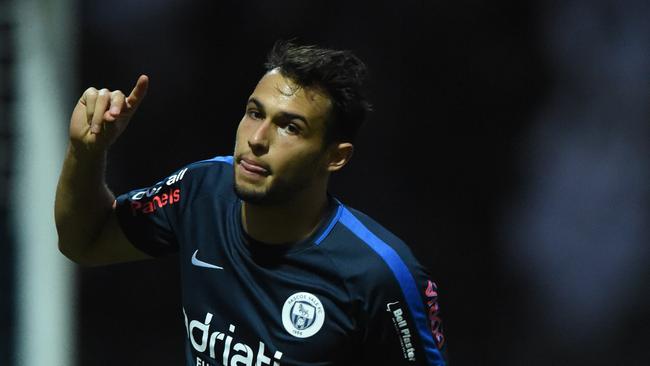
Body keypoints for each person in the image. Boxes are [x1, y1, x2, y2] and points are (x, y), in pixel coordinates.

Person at [55, 41, 447, 365]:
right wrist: (87, 153)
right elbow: (84, 242)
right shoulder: (201, 190)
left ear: (335, 157)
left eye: (290, 127)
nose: (257, 139)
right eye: (254, 113)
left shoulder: (381, 275)